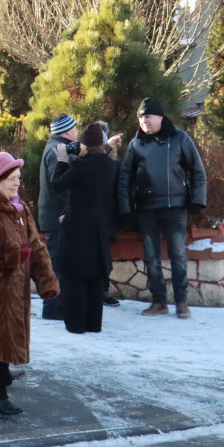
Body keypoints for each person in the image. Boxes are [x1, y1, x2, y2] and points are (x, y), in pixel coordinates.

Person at [0, 152, 60, 415]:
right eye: (10, 178)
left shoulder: (20, 208)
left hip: (15, 291)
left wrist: (46, 280)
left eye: (17, 178)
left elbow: (37, 248)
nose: (16, 183)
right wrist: (13, 252)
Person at [117, 97, 207, 319]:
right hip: (147, 209)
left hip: (175, 208)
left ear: (160, 117)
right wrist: (126, 209)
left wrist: (197, 200)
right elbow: (124, 180)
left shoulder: (180, 139)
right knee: (151, 257)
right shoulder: (136, 145)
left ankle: (181, 303)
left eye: (148, 116)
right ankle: (159, 302)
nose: (144, 121)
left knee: (178, 255)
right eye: (141, 117)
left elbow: (198, 171)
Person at [52, 122, 119, 334]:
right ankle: (93, 323)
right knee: (94, 274)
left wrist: (62, 161)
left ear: (84, 144)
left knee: (74, 274)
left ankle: (76, 324)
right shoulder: (110, 165)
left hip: (77, 223)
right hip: (99, 223)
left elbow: (58, 184)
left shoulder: (80, 166)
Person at [37, 113, 78, 321]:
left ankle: (57, 304)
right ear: (68, 131)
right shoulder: (57, 150)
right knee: (56, 263)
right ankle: (52, 306)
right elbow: (59, 184)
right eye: (75, 129)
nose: (77, 132)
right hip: (58, 217)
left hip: (55, 215)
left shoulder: (56, 147)